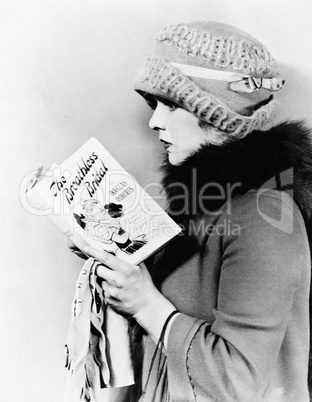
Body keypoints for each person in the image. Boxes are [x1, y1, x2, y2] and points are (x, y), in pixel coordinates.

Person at [71, 21, 312, 401]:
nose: (154, 121)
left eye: (170, 104)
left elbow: (237, 380)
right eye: (155, 105)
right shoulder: (209, 204)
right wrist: (120, 258)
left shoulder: (266, 218)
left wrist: (145, 302)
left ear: (218, 116)